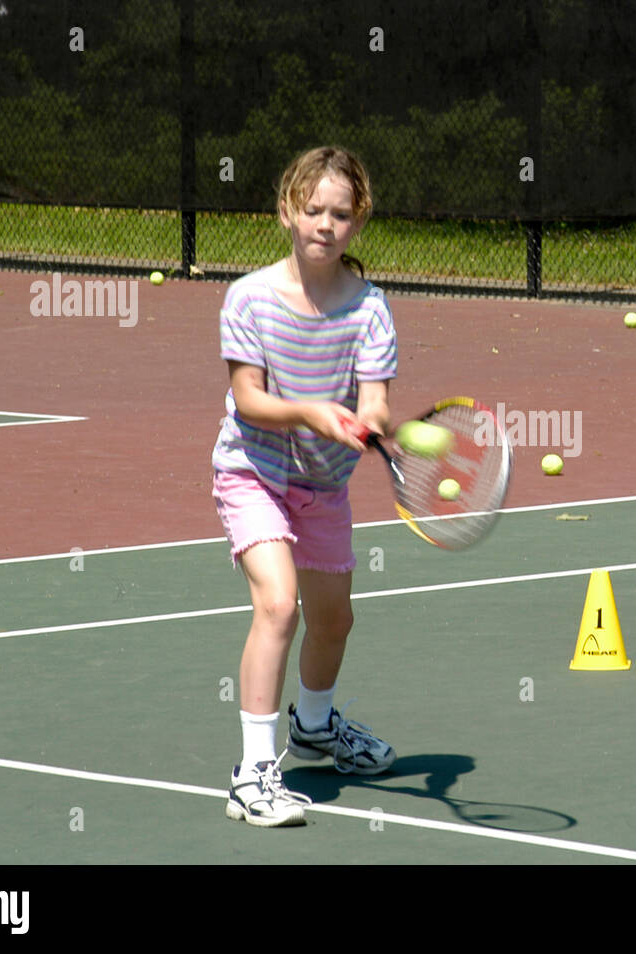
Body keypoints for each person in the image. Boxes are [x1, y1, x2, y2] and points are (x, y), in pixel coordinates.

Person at [212, 146, 397, 827]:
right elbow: (250, 399)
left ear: (359, 221)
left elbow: (375, 401)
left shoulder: (371, 310)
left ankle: (315, 728)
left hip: (324, 484)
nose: (325, 224)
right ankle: (254, 774)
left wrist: (367, 422)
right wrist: (313, 412)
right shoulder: (250, 298)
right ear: (287, 210)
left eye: (341, 214)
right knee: (279, 606)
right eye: (313, 209)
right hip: (253, 469)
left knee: (334, 619)